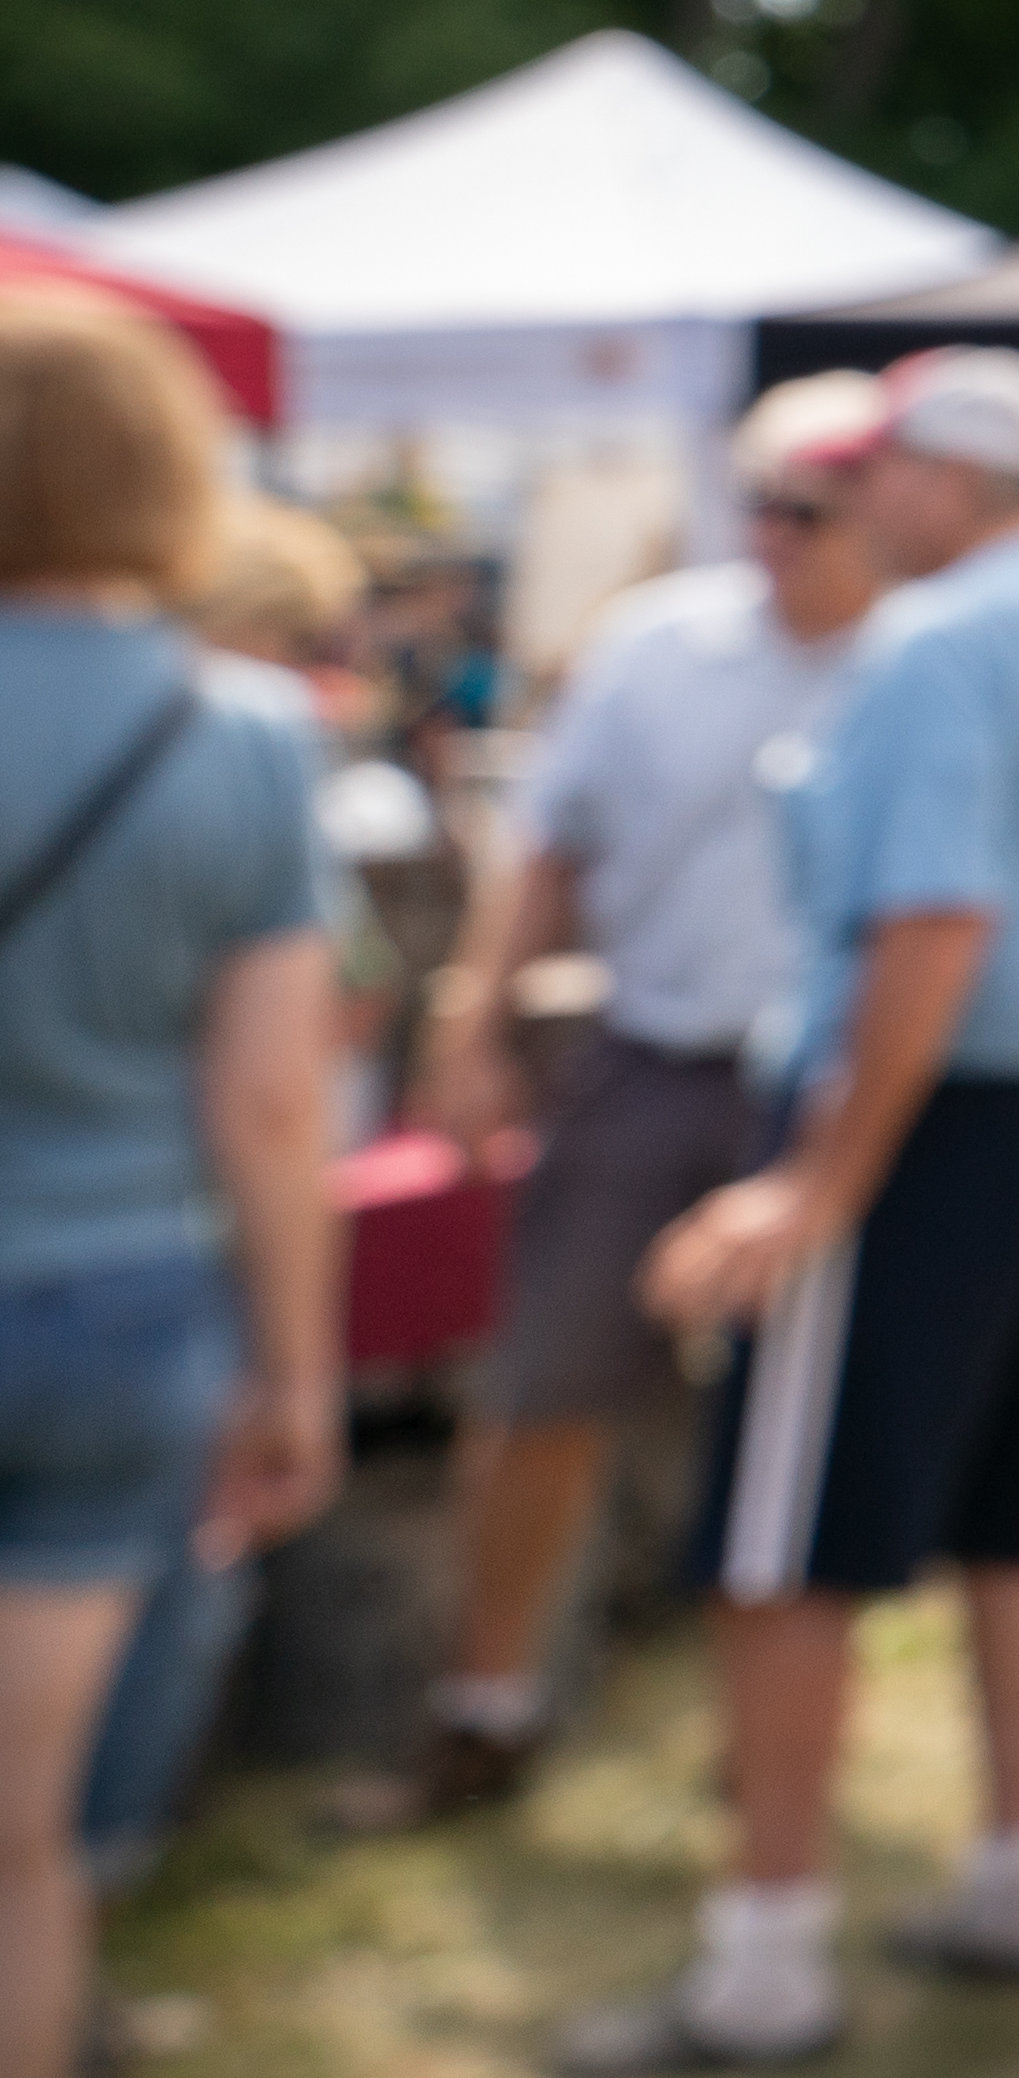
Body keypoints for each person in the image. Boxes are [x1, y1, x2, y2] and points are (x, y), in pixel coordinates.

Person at [566, 347, 1019, 2071]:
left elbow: (935, 918)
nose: (852, 507)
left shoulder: (943, 639)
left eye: (872, 474)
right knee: (1017, 1511)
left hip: (932, 1117)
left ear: (949, 476)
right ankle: (1018, 1871)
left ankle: (764, 1962)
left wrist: (813, 1177)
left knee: (786, 1546)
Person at [340, 374, 895, 1834]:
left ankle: (770, 1738)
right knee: (539, 1389)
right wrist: (473, 1017)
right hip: (653, 1053)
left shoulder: (921, 658)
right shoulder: (660, 645)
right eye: (765, 500)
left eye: (815, 507)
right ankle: (487, 1699)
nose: (781, 534)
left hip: (835, 1082)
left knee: (806, 1429)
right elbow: (550, 847)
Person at [0, 294, 342, 2078]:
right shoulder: (247, 733)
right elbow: (275, 1102)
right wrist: (295, 1365)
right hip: (118, 1295)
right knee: (22, 1835)